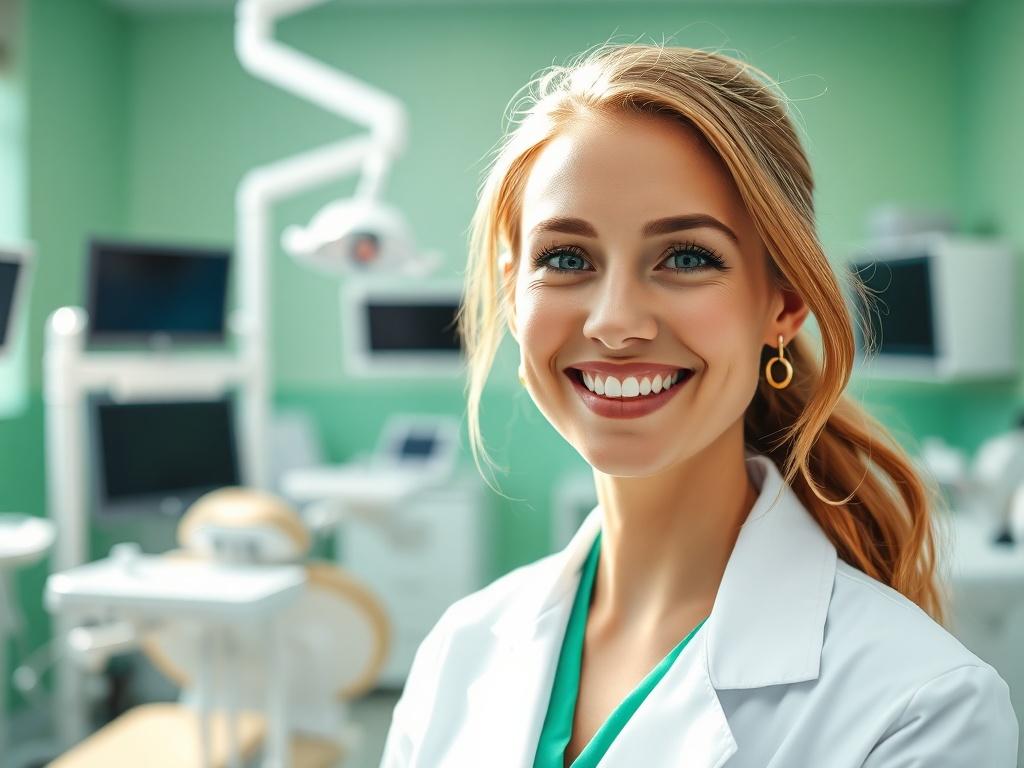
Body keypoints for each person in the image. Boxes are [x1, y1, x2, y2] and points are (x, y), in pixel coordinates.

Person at [379, 43, 1019, 767]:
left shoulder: (921, 711)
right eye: (565, 258)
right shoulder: (458, 652)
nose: (614, 321)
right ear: (513, 292)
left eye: (686, 257)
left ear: (783, 301)